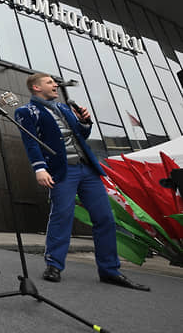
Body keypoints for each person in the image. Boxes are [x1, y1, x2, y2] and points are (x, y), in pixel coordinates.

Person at [14, 73, 150, 291]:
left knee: (105, 217)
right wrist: (39, 168)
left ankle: (109, 270)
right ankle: (54, 265)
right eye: (50, 82)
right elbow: (30, 142)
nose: (55, 85)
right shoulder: (25, 111)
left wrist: (86, 122)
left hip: (87, 169)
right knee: (62, 215)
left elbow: (81, 135)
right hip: (62, 171)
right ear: (36, 87)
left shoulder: (65, 108)